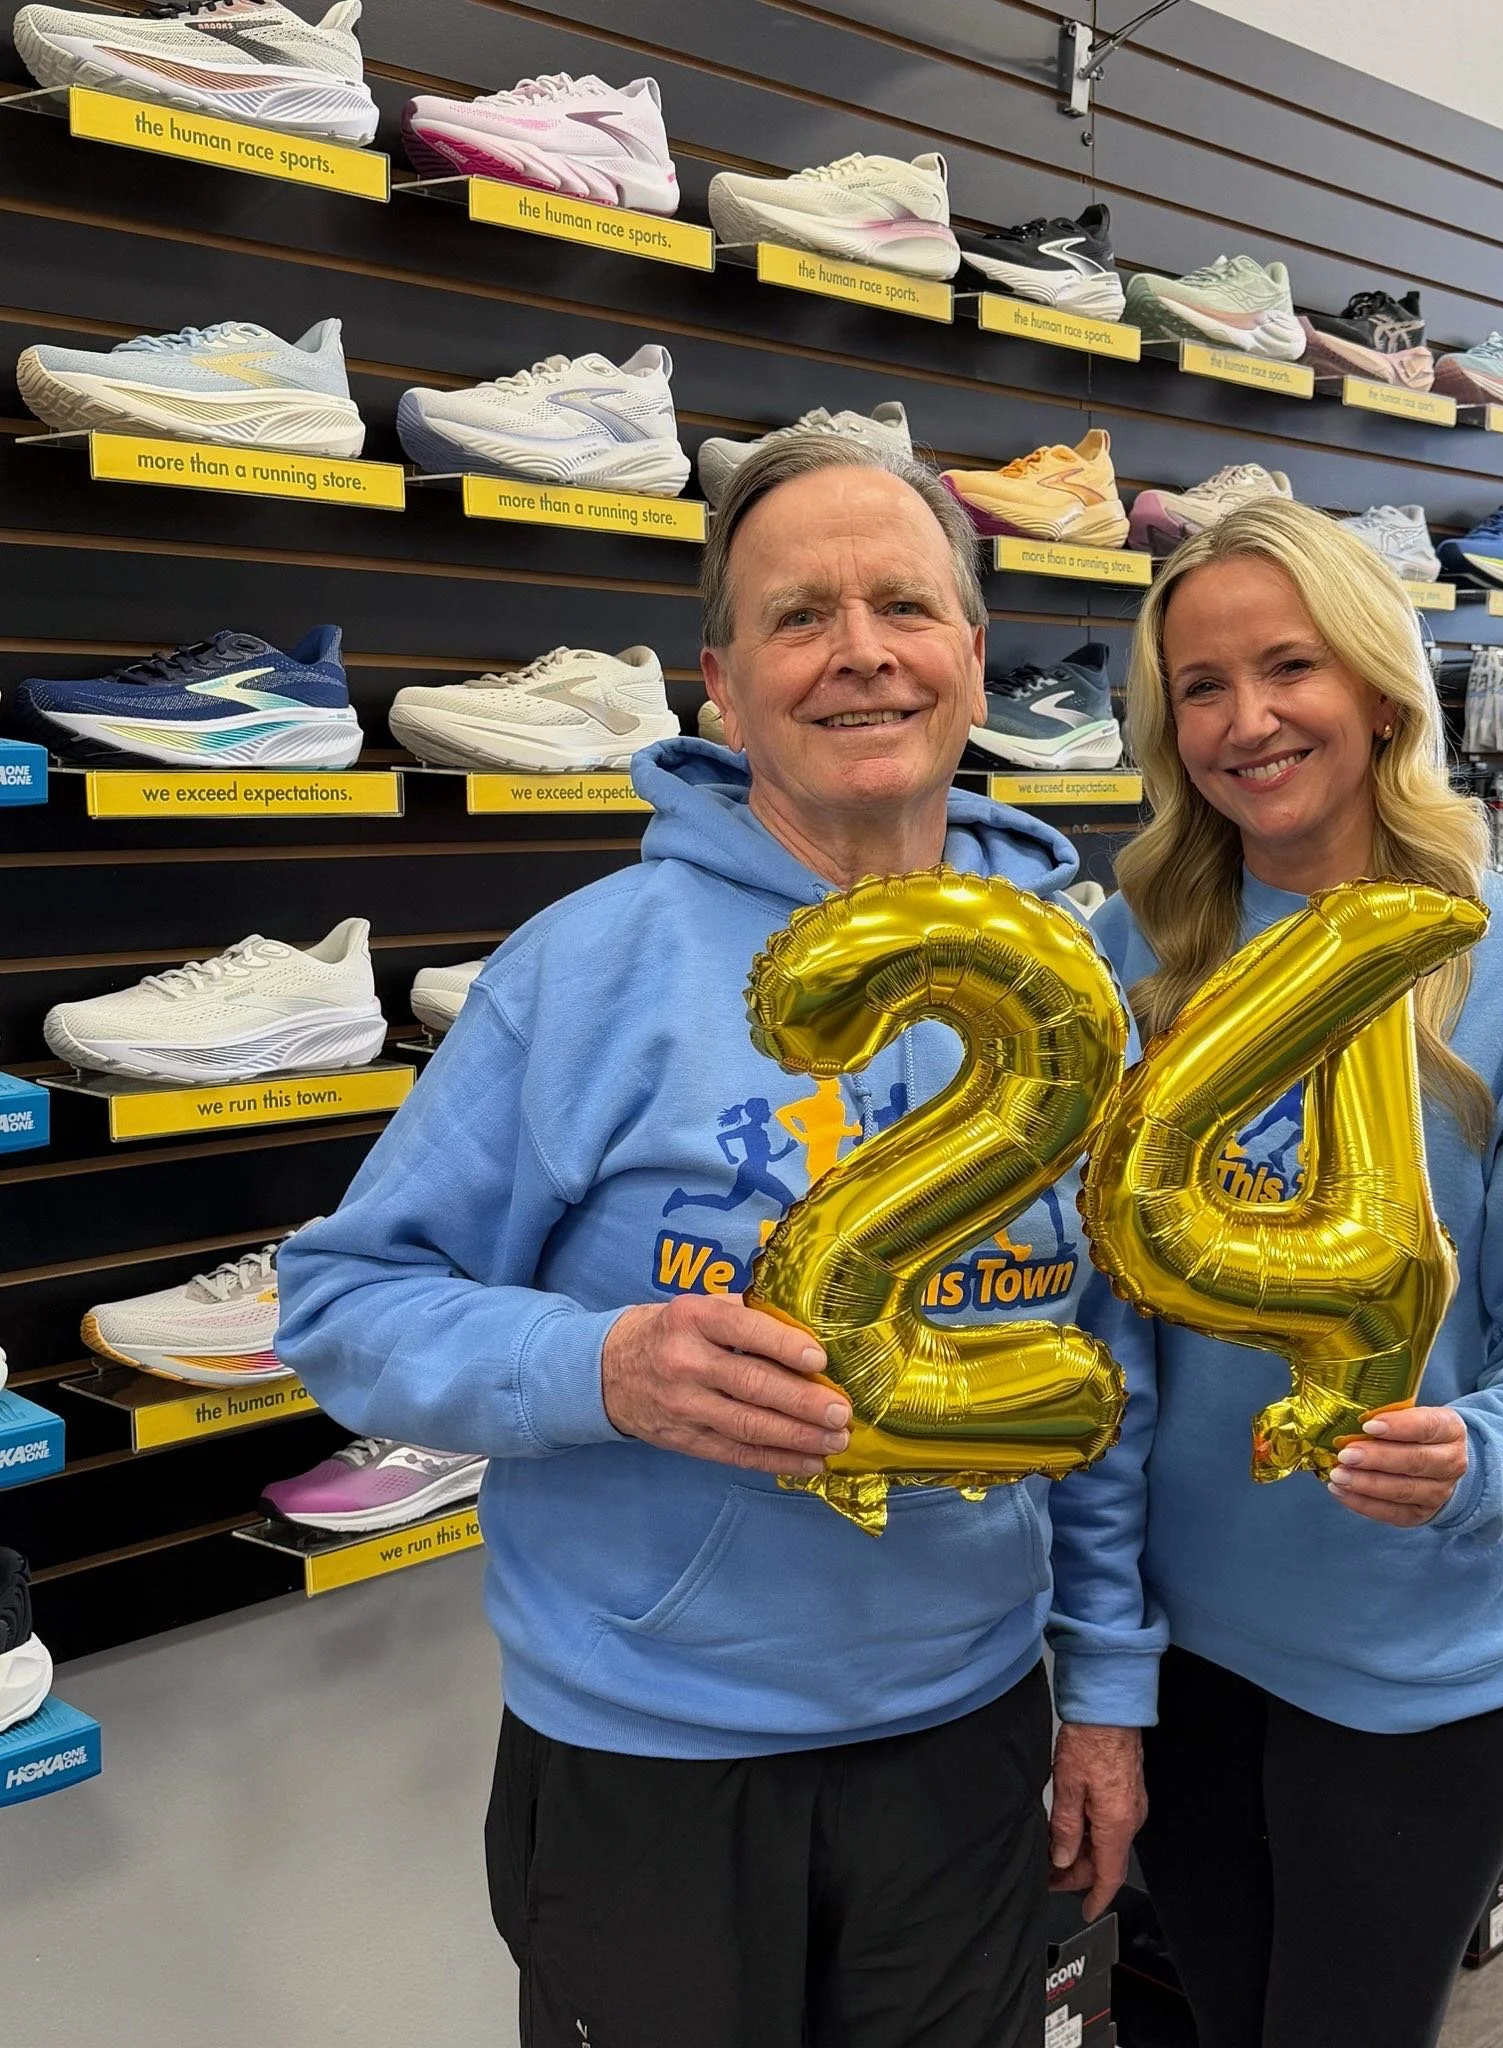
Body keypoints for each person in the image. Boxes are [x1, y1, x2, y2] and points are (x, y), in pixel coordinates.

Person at [276, 436, 1163, 2048]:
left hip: (967, 1745)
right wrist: (598, 1367)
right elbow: (344, 1305)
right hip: (648, 1766)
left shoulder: (1075, 983)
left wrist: (1105, 1690)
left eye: (904, 604)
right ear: (723, 686)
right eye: (798, 616)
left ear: (973, 658)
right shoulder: (585, 974)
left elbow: (1105, 1368)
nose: (861, 653)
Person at [1091, 498, 1503, 2048]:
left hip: (1417, 1677)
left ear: (1379, 686)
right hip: (1168, 1656)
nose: (1248, 719)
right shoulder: (1124, 958)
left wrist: (1483, 1449)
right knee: (1208, 2018)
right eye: (1200, 687)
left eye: (1290, 666)